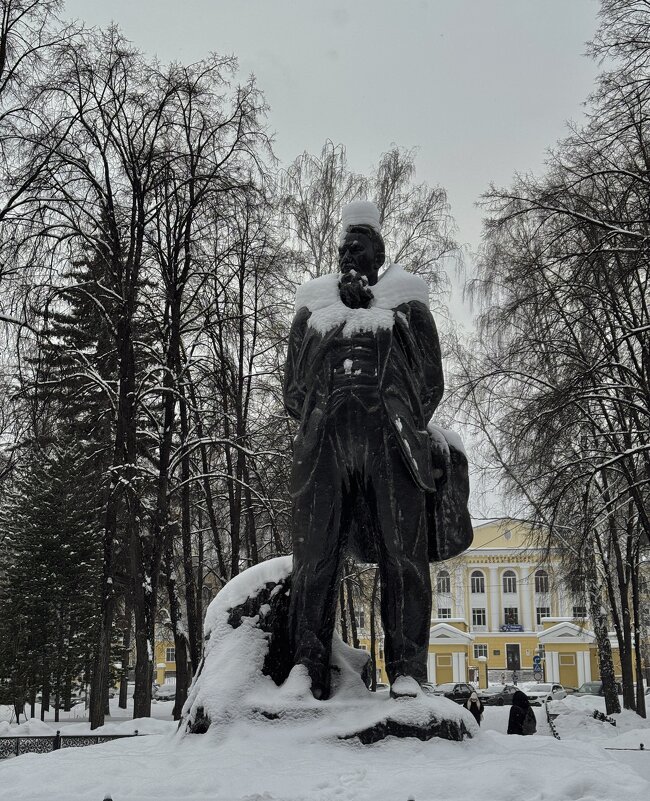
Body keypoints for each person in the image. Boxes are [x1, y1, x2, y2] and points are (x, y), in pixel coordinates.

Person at [283, 200, 444, 700]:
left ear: (378, 254)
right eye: (344, 248)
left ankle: (407, 671)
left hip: (389, 441)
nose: (350, 254)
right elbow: (291, 387)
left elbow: (431, 382)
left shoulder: (406, 303)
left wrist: (397, 413)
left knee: (405, 558)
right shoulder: (313, 309)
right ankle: (306, 669)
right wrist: (319, 410)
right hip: (325, 442)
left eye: (360, 247)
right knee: (314, 557)